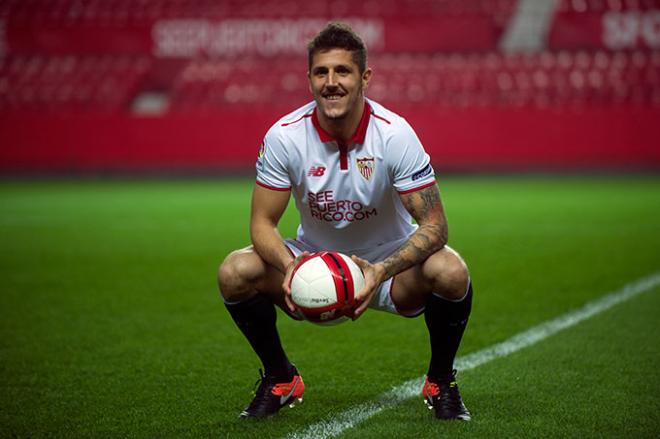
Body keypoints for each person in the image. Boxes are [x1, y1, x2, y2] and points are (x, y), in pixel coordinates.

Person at [218, 22, 473, 421]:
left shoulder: (395, 136)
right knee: (234, 271)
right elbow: (262, 224)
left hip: (388, 263)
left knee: (452, 271)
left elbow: (435, 227)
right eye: (321, 72)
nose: (331, 82)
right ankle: (280, 377)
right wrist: (293, 267)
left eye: (343, 71)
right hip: (312, 259)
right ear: (309, 79)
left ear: (364, 78)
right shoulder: (285, 137)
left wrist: (381, 270)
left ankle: (441, 381)